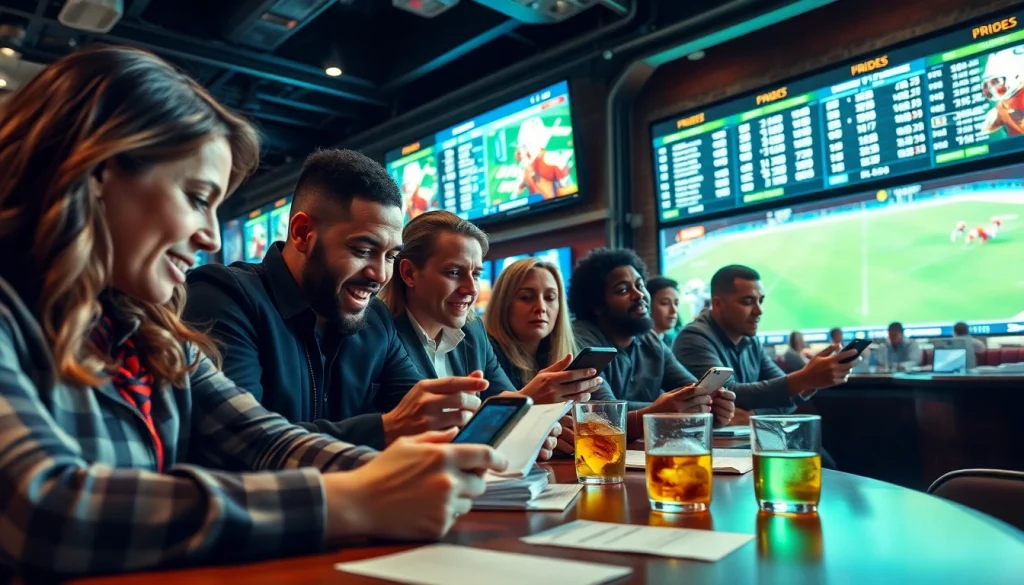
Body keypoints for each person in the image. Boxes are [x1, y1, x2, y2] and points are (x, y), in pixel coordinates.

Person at [0, 46, 505, 578]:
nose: (212, 235)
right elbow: (38, 512)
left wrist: (421, 477)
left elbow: (265, 441)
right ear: (95, 173)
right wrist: (347, 501)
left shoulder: (149, 333)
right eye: (197, 197)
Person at [186, 150, 490, 450]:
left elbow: (424, 419)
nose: (381, 274)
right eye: (363, 250)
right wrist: (386, 429)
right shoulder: (224, 297)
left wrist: (492, 435)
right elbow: (240, 444)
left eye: (391, 256)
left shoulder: (376, 321)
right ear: (303, 233)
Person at [378, 211, 604, 406]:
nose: (471, 289)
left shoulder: (473, 331)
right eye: (454, 272)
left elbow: (504, 404)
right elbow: (424, 426)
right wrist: (530, 401)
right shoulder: (378, 333)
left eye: (476, 274)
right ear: (408, 273)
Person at [569, 249, 736, 440]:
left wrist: (709, 406)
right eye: (623, 290)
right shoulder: (580, 340)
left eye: (640, 285)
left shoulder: (651, 340)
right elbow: (605, 413)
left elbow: (691, 387)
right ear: (596, 305)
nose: (639, 295)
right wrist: (666, 409)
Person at [673, 265, 857, 413]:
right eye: (747, 301)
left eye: (760, 301)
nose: (759, 310)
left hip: (749, 438)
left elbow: (785, 399)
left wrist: (753, 415)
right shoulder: (694, 338)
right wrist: (803, 379)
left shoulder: (751, 341)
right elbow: (727, 394)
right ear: (717, 304)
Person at [647, 276, 681, 346]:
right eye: (664, 303)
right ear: (648, 305)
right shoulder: (637, 345)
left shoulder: (672, 342)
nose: (674, 310)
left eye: (676, 304)